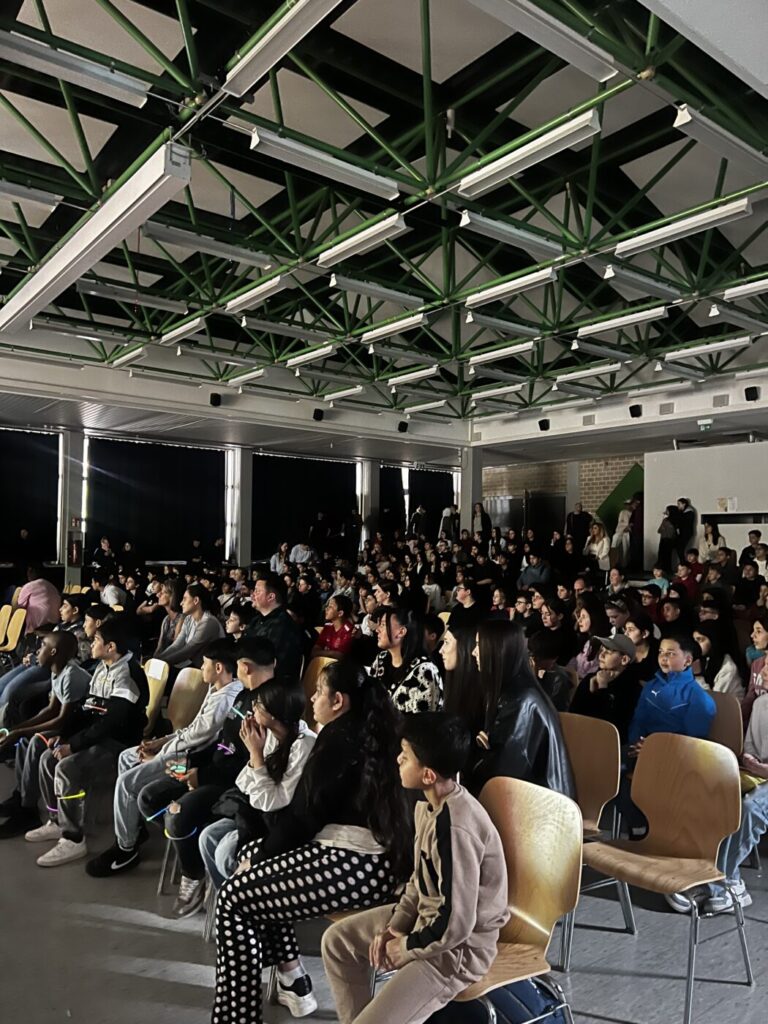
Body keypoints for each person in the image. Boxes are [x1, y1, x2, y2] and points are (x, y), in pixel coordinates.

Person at [209, 660, 411, 1022]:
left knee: (233, 899)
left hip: (356, 865)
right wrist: (259, 855)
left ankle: (237, 1016)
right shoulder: (362, 730)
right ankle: (293, 978)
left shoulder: (337, 740)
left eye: (319, 692)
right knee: (250, 856)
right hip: (363, 860)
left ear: (338, 701)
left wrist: (260, 859)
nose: (313, 699)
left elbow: (303, 819)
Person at [322, 712, 509, 1024]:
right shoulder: (428, 807)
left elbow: (456, 924)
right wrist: (396, 927)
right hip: (428, 922)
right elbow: (419, 881)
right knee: (337, 943)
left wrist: (405, 947)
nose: (398, 759)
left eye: (405, 755)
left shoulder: (455, 828)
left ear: (428, 775)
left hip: (455, 953)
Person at [85, 639, 243, 877]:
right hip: (178, 750)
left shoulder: (225, 701)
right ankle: (134, 827)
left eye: (205, 663)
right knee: (127, 757)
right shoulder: (216, 689)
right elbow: (190, 730)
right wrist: (160, 741)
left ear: (218, 668)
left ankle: (126, 848)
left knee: (126, 784)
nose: (201, 667)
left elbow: (196, 741)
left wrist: (160, 753)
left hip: (186, 760)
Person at [165, 675, 314, 916]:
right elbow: (244, 782)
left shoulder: (303, 745)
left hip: (280, 823)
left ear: (274, 714)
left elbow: (272, 802)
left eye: (258, 705)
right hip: (254, 810)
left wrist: (255, 754)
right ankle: (229, 902)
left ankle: (246, 907)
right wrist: (255, 755)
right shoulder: (267, 734)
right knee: (207, 837)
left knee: (224, 853)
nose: (252, 709)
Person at [29, 618, 149, 867]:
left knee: (67, 767)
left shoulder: (128, 674)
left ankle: (73, 838)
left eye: (96, 640)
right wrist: (64, 736)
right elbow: (86, 710)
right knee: (47, 758)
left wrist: (73, 746)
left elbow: (111, 723)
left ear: (111, 647)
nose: (91, 643)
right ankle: (57, 821)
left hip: (118, 744)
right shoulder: (102, 667)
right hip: (97, 736)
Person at [463, 619, 574, 797]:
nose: (473, 652)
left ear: (497, 650)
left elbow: (507, 770)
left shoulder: (522, 701)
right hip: (522, 793)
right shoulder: (511, 690)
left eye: (478, 645)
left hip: (539, 802)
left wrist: (481, 754)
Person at [0, 632, 91, 838]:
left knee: (35, 742)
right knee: (24, 740)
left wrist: (19, 731)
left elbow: (61, 720)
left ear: (53, 652)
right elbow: (50, 709)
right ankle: (21, 796)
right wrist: (16, 730)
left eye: (42, 646)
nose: (38, 651)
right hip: (67, 724)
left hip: (77, 728)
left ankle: (28, 811)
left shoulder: (72, 675)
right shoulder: (57, 670)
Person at [628, 635, 716, 749]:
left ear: (688, 661)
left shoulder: (699, 698)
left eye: (670, 653)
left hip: (673, 754)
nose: (663, 657)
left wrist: (653, 749)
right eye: (661, 652)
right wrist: (636, 742)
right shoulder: (650, 686)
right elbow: (638, 721)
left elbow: (692, 742)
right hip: (641, 749)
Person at [570, 634, 642, 743]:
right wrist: (590, 693)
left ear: (624, 659)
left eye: (608, 652)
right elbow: (574, 713)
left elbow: (613, 726)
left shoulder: (632, 688)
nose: (601, 655)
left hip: (609, 744)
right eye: (602, 650)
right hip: (581, 737)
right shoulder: (590, 678)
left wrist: (603, 688)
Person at [370, 606, 443, 713]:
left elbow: (423, 719)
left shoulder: (425, 671)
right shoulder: (381, 659)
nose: (377, 630)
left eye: (383, 625)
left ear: (401, 632)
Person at [245, 573, 303, 676]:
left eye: (257, 591)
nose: (252, 595)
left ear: (271, 597)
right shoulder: (256, 620)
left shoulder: (283, 625)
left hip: (271, 681)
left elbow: (271, 663)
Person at [159, 583, 223, 670]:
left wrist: (161, 662)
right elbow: (176, 645)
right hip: (198, 667)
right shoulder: (188, 619)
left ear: (196, 600)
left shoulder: (209, 622)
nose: (181, 603)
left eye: (184, 599)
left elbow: (188, 651)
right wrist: (157, 659)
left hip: (213, 670)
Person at [692, 622, 744, 697]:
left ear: (713, 640)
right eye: (694, 641)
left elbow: (714, 700)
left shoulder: (728, 668)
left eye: (700, 640)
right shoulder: (705, 659)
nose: (695, 645)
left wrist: (698, 676)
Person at [528, 630, 574, 711]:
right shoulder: (530, 669)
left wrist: (534, 678)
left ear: (553, 659)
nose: (533, 660)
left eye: (538, 657)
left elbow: (552, 710)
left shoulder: (559, 679)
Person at [572, 594, 611, 682]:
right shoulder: (585, 639)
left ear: (594, 617)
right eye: (579, 616)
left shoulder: (603, 645)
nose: (579, 620)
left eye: (584, 617)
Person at [15, 565, 60, 634]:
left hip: (35, 630)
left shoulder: (28, 586)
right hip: (55, 628)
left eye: (30, 571)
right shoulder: (52, 586)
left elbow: (19, 607)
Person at [312, 594, 356, 658]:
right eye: (327, 606)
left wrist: (322, 652)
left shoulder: (349, 630)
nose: (326, 609)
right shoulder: (327, 627)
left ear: (340, 613)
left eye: (330, 607)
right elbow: (314, 651)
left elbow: (340, 655)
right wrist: (331, 653)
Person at [623, 612, 659, 682]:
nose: (625, 634)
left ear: (645, 633)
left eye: (630, 630)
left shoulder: (659, 651)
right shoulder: (623, 652)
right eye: (625, 629)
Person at [611, 500, 633, 569]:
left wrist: (628, 527)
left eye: (628, 504)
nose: (627, 506)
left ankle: (624, 565)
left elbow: (631, 523)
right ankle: (613, 563)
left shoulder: (632, 513)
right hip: (619, 531)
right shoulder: (622, 512)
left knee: (625, 549)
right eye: (626, 504)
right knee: (614, 546)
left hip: (626, 533)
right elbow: (620, 522)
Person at [656, 506, 677, 574]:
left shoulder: (666, 521)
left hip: (665, 539)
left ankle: (662, 569)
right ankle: (667, 569)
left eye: (667, 510)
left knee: (663, 555)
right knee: (667, 556)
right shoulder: (675, 521)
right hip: (670, 540)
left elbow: (659, 530)